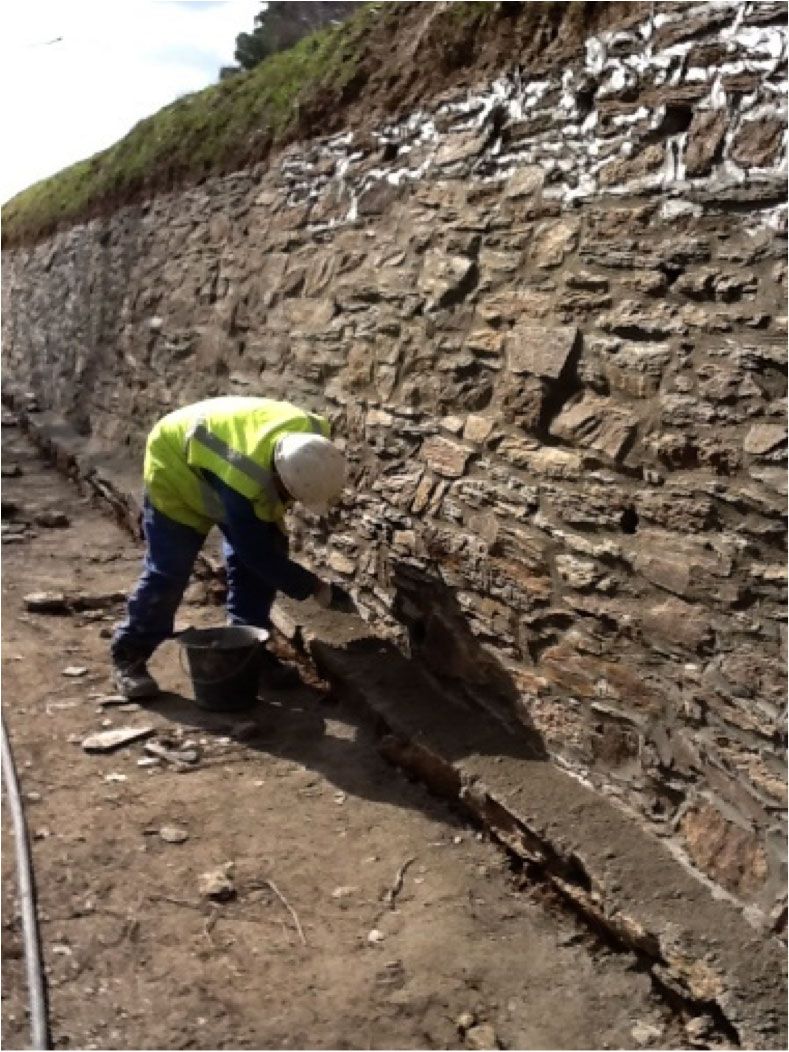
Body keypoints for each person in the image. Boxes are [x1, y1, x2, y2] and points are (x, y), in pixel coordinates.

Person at [111, 395, 352, 699]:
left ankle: (247, 651)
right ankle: (128, 656)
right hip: (175, 467)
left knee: (258, 567)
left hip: (214, 453)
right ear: (277, 475)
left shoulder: (311, 439)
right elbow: (255, 553)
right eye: (287, 493)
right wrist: (314, 587)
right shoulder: (242, 477)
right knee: (169, 571)